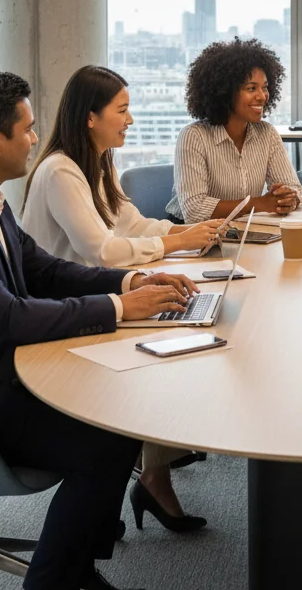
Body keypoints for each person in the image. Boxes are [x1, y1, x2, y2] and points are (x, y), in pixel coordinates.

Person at [0, 72, 198, 590]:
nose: (34, 138)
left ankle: (75, 567)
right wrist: (119, 307)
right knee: (105, 438)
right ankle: (54, 580)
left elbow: (45, 270)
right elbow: (6, 319)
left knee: (119, 410)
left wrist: (131, 281)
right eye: (26, 129)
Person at [22, 64, 224, 532]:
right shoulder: (60, 171)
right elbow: (102, 249)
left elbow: (131, 224)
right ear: (90, 117)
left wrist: (186, 234)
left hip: (93, 293)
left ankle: (152, 474)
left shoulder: (97, 162)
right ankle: (142, 480)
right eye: (123, 109)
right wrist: (174, 243)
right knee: (162, 348)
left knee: (176, 325)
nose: (130, 119)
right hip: (61, 314)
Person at [168, 38, 302, 222]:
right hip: (192, 233)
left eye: (265, 87)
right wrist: (258, 204)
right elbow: (194, 210)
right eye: (251, 88)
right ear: (225, 92)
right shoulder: (194, 136)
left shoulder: (267, 133)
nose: (262, 96)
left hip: (243, 229)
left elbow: (296, 189)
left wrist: (289, 198)